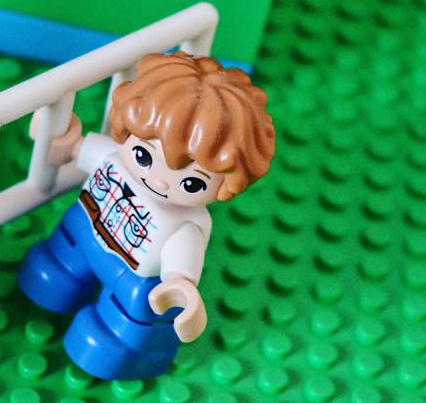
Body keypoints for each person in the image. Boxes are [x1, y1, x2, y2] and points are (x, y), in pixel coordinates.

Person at [17, 51, 276, 379]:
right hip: (83, 231)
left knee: (132, 318)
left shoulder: (185, 222)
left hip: (133, 275)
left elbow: (180, 263)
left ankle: (118, 344)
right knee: (57, 267)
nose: (160, 181)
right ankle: (58, 277)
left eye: (193, 182)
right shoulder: (113, 159)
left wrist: (180, 285)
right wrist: (58, 139)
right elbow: (74, 149)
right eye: (143, 154)